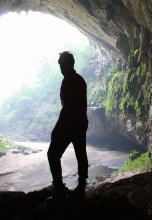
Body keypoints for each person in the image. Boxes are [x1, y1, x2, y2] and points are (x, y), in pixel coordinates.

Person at [47, 51, 88, 201]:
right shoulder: (79, 79)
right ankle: (81, 188)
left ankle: (59, 191)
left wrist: (57, 128)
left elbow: (68, 107)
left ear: (69, 64)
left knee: (52, 154)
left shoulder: (69, 81)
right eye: (60, 64)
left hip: (70, 124)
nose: (60, 67)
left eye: (62, 64)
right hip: (81, 122)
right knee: (80, 153)